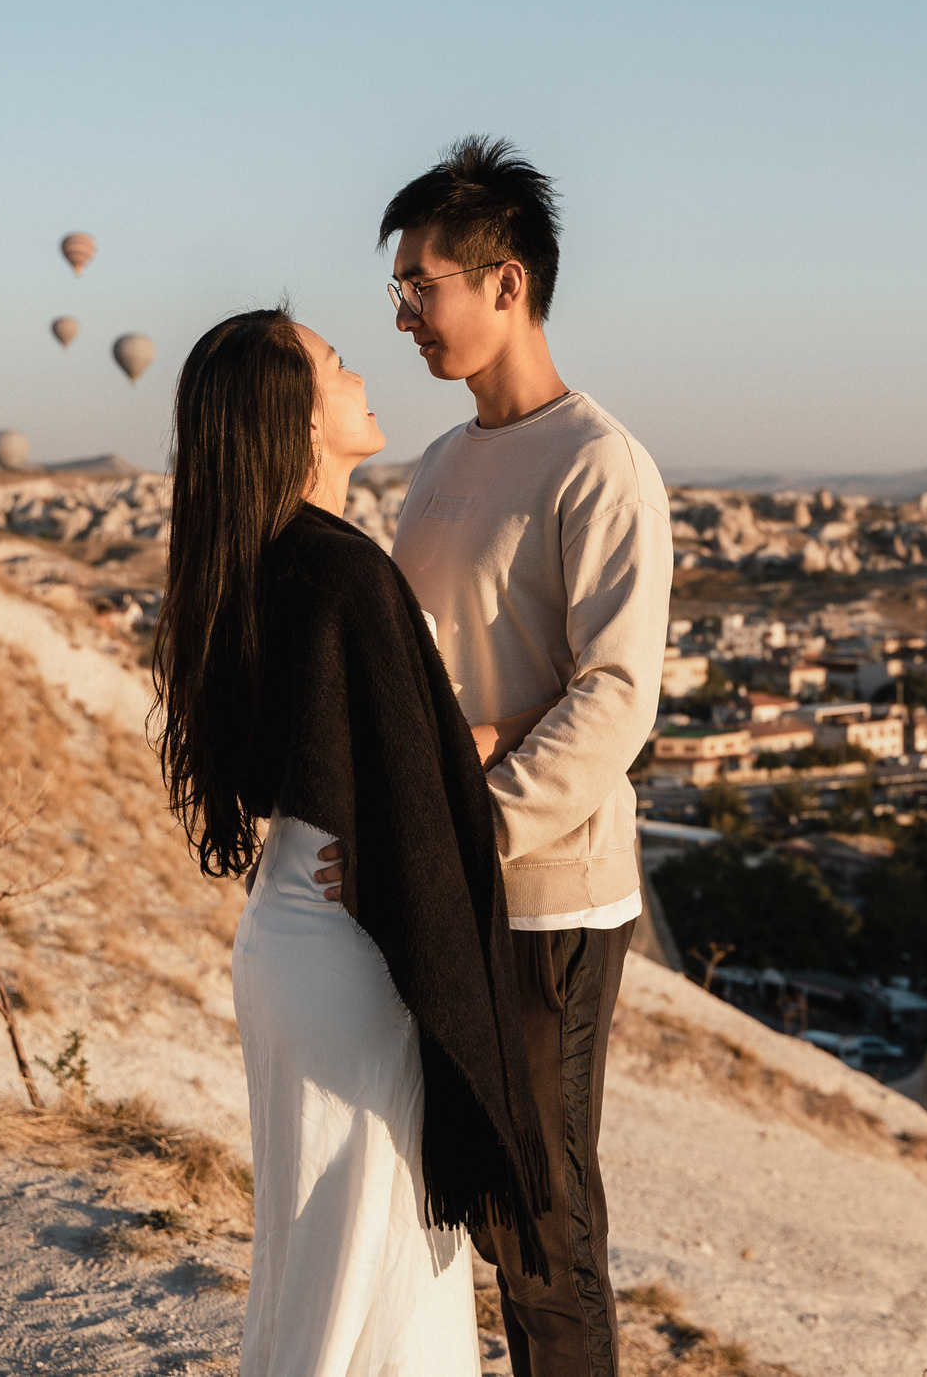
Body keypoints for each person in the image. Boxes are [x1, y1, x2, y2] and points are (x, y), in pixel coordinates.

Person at [152, 308, 551, 1377]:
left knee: (327, 1250)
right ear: (294, 415)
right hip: (353, 944)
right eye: (334, 363)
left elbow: (354, 758)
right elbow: (408, 785)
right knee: (362, 1261)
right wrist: (510, 730)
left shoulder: (260, 561)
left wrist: (421, 774)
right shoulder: (341, 574)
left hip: (296, 929)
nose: (360, 372)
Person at [380, 139, 674, 1377]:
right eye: (394, 294)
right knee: (464, 1188)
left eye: (419, 288)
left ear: (506, 285)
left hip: (549, 892)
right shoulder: (441, 463)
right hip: (446, 876)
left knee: (542, 1208)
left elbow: (614, 704)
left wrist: (465, 819)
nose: (401, 318)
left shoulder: (600, 465)